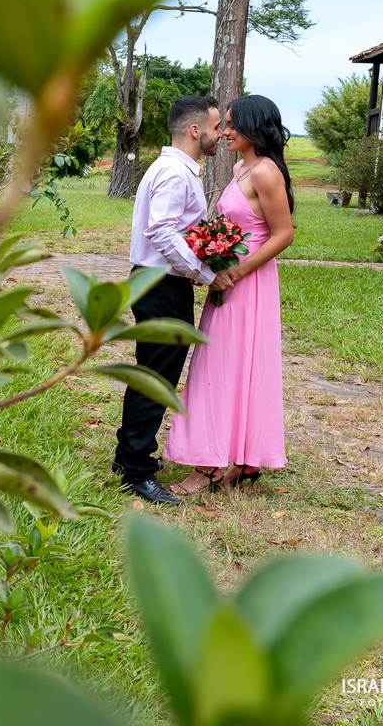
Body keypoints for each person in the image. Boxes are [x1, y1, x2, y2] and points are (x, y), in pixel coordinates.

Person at [163, 94, 295, 495]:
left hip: (248, 282)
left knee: (226, 366)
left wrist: (238, 269)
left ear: (256, 127)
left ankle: (209, 466)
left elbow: (284, 234)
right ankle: (241, 460)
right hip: (228, 278)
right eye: (225, 125)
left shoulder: (266, 173)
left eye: (233, 125)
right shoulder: (241, 166)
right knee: (223, 366)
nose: (226, 132)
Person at [111, 95, 231, 505]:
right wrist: (204, 273)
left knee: (151, 372)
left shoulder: (173, 169)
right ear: (196, 130)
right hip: (161, 283)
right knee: (157, 380)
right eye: (216, 127)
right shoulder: (175, 174)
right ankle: (136, 470)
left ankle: (127, 454)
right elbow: (161, 232)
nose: (221, 134)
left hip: (158, 282)